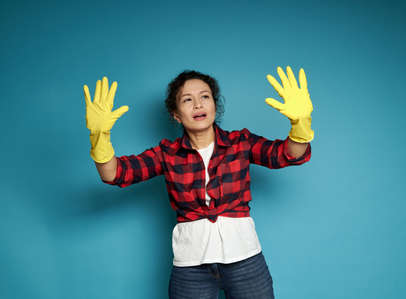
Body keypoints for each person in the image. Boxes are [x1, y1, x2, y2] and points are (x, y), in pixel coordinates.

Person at [83, 66, 314, 299]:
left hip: (246, 261)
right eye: (187, 99)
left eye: (205, 97)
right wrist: (100, 138)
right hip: (191, 268)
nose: (198, 105)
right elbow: (114, 173)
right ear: (175, 114)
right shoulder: (167, 153)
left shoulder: (240, 142)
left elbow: (288, 154)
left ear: (215, 105)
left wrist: (301, 125)